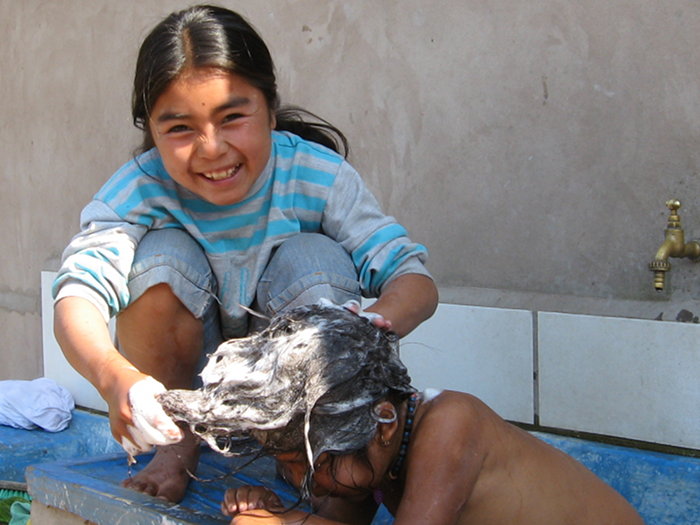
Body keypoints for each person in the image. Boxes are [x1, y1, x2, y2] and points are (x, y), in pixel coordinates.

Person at [52, 5, 438, 504]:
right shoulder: (138, 191)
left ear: (270, 110)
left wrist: (369, 326)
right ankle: (177, 445)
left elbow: (413, 279)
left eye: (233, 117)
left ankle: (305, 454)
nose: (212, 148)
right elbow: (77, 294)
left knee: (314, 257)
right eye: (180, 128)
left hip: (292, 391)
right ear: (151, 129)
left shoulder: (317, 176)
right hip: (186, 394)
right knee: (159, 258)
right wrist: (113, 376)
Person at [158, 303, 643, 525]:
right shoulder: (374, 456)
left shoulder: (452, 425)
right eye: (288, 467)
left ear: (383, 421)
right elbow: (338, 520)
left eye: (311, 463)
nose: (307, 481)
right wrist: (271, 506)